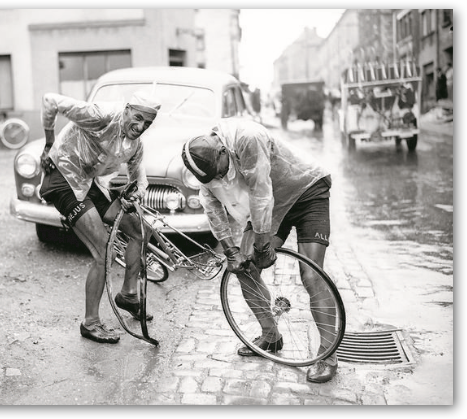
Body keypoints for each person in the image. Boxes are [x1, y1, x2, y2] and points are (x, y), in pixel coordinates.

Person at [182, 118, 338, 383]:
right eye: (212, 178)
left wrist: (263, 244)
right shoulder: (205, 163)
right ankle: (271, 335)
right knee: (245, 268)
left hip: (307, 189)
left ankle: (328, 354)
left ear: (222, 151)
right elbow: (212, 207)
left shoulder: (247, 138)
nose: (218, 179)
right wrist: (231, 250)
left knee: (312, 275)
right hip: (271, 203)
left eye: (219, 172)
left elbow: (261, 192)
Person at [39, 91, 161, 344]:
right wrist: (49, 143)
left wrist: (134, 192)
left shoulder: (134, 144)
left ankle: (128, 295)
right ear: (126, 109)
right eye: (137, 118)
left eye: (147, 123)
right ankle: (90, 322)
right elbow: (50, 100)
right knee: (103, 249)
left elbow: (139, 178)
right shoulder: (100, 116)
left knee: (140, 230)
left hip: (86, 182)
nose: (140, 127)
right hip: (61, 177)